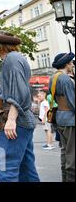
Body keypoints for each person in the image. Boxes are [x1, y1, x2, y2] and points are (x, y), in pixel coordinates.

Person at [0, 30, 40, 182]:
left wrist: (11, 120)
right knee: (26, 171)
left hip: (16, 120)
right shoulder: (14, 58)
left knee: (3, 170)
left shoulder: (12, 59)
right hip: (22, 121)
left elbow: (19, 92)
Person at [49, 52, 75, 182]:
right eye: (71, 63)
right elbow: (72, 101)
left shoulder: (53, 77)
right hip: (70, 119)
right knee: (72, 155)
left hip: (60, 117)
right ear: (66, 64)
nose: (72, 65)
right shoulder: (65, 78)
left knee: (65, 152)